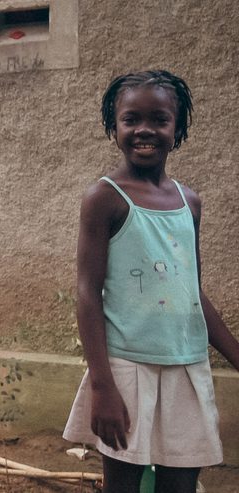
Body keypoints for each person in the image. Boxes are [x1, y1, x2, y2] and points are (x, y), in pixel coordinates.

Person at [63, 71, 239, 493]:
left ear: (177, 128)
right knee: (123, 485)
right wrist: (102, 383)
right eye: (131, 119)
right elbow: (88, 293)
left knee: (179, 485)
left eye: (159, 119)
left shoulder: (188, 202)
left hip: (187, 365)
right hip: (126, 370)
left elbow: (192, 291)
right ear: (114, 126)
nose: (145, 130)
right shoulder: (104, 197)